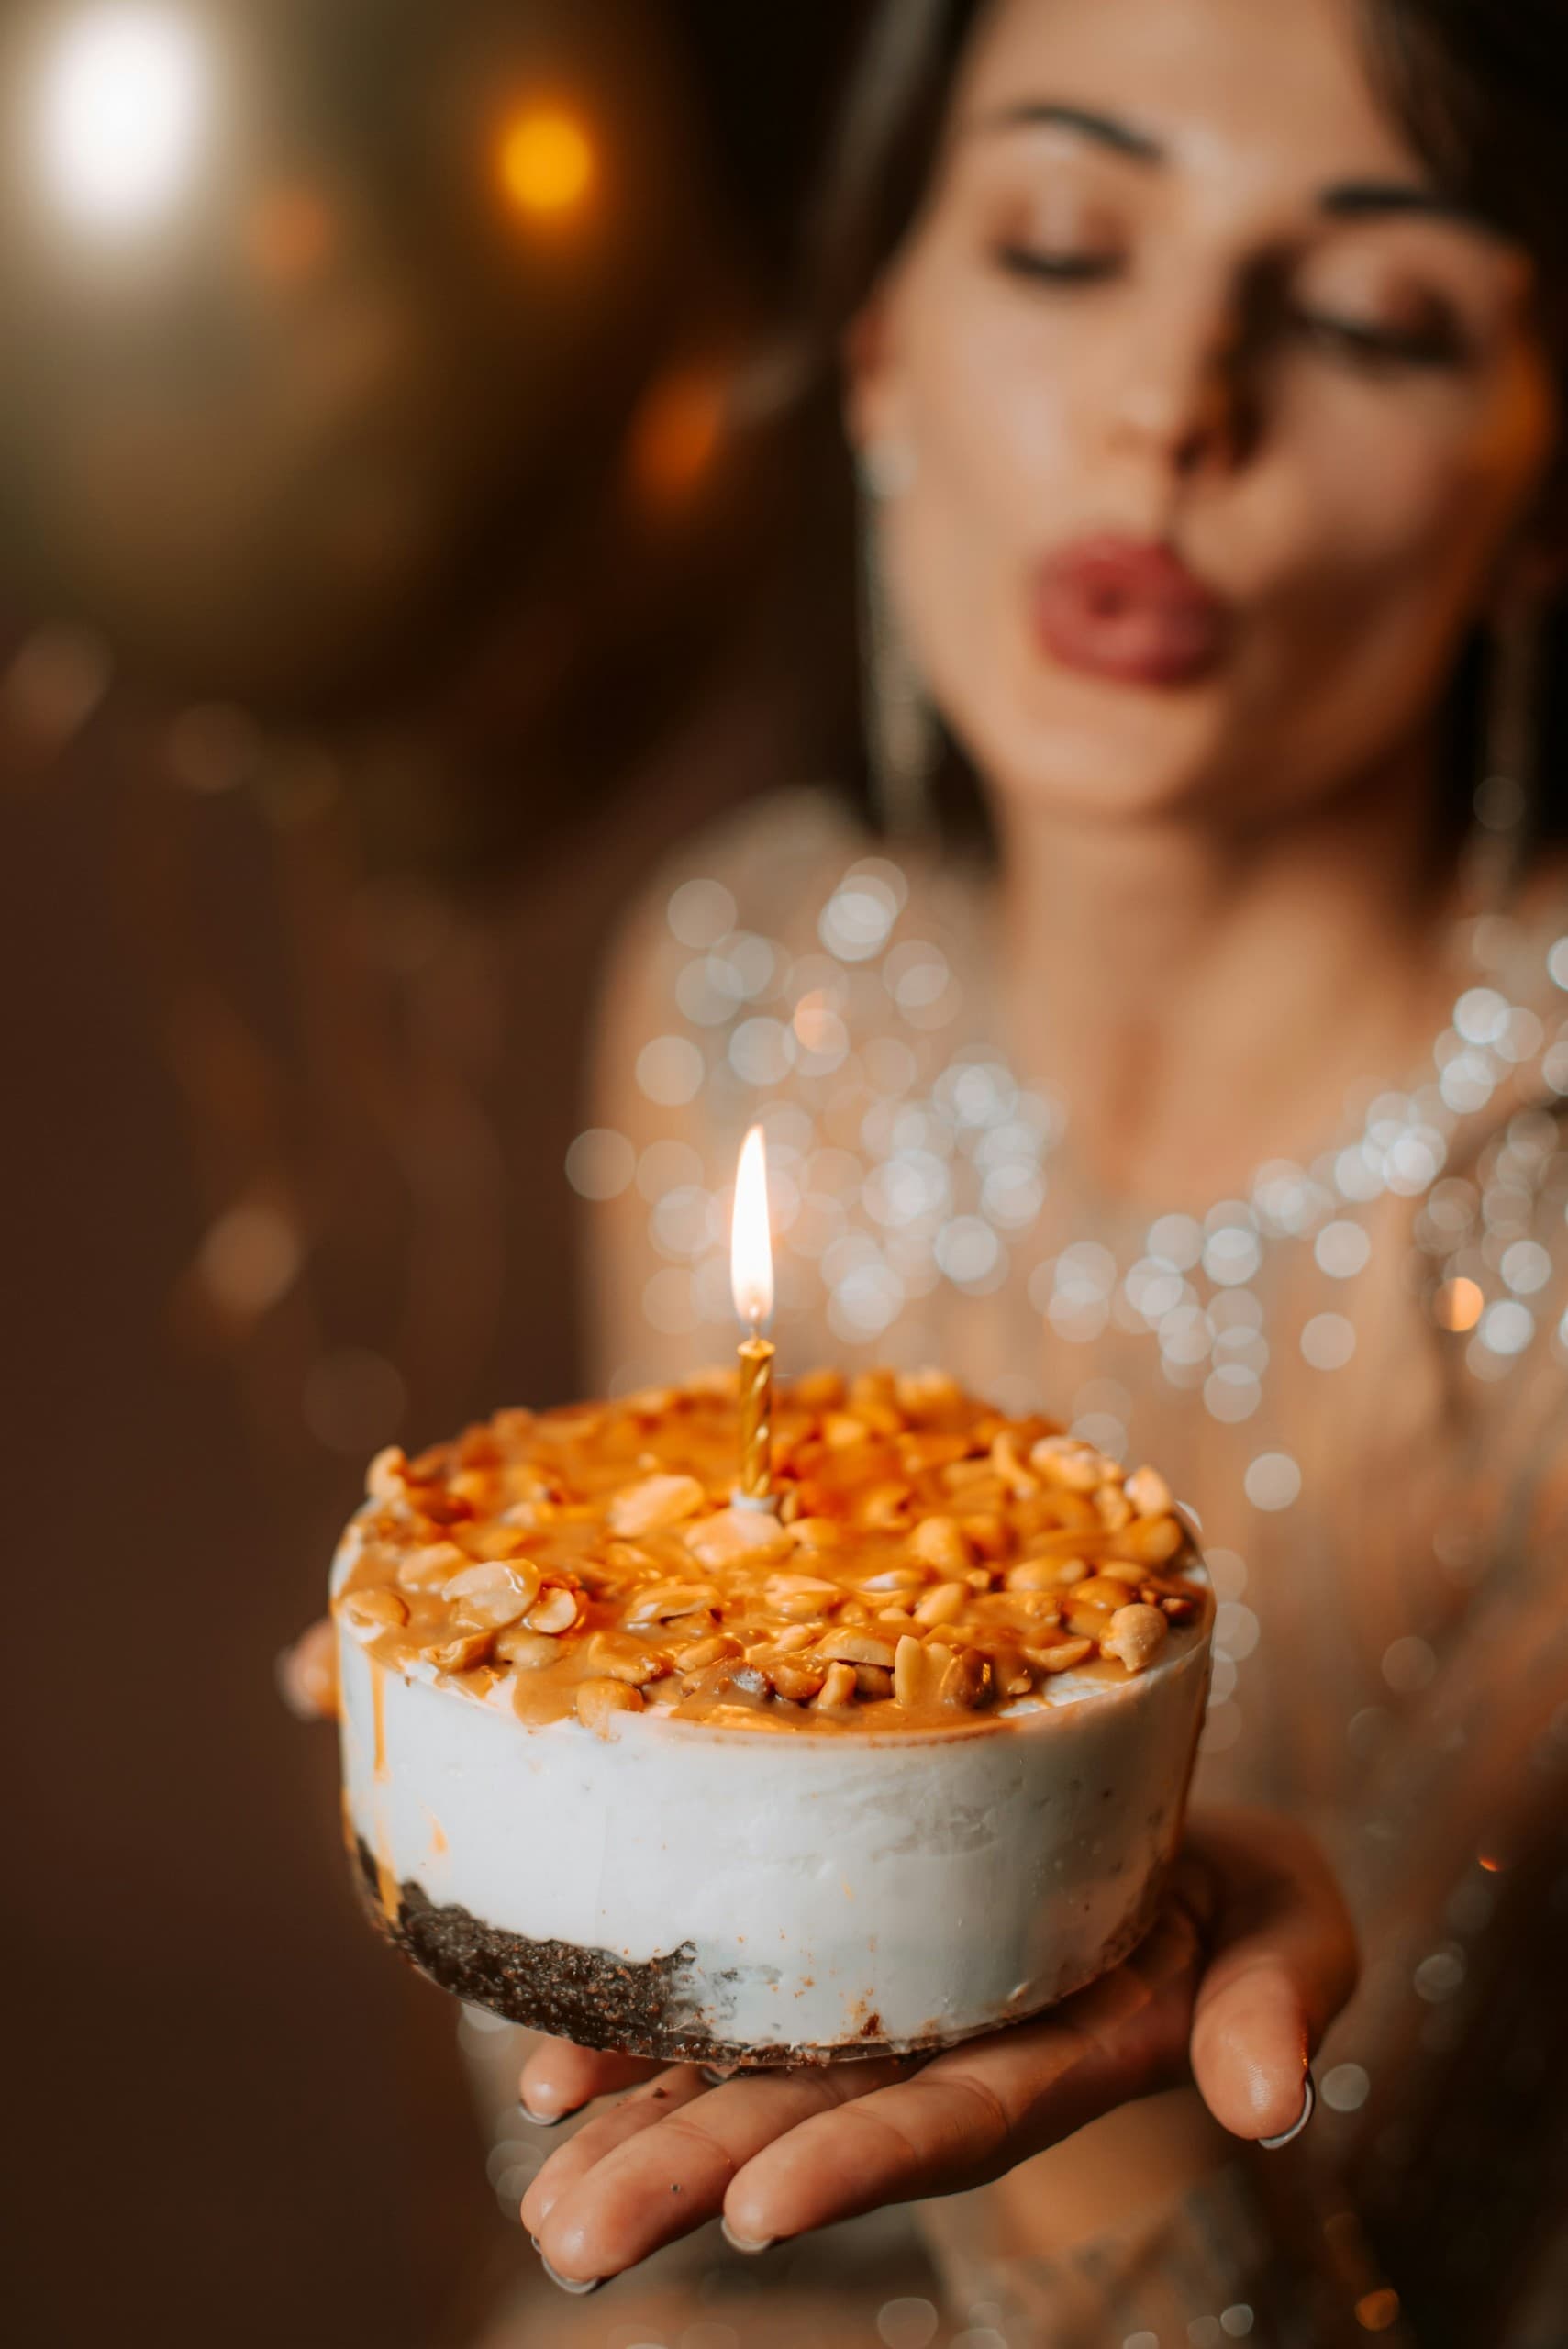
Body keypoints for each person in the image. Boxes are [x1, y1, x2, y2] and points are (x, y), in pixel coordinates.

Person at [507, 1, 1568, 2341]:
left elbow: (1359, 2278)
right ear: (879, 348)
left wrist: (1101, 2063)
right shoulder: (751, 978)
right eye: (1069, 241)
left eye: (1378, 313)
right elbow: (630, 2091)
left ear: (1542, 471)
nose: (1173, 404)